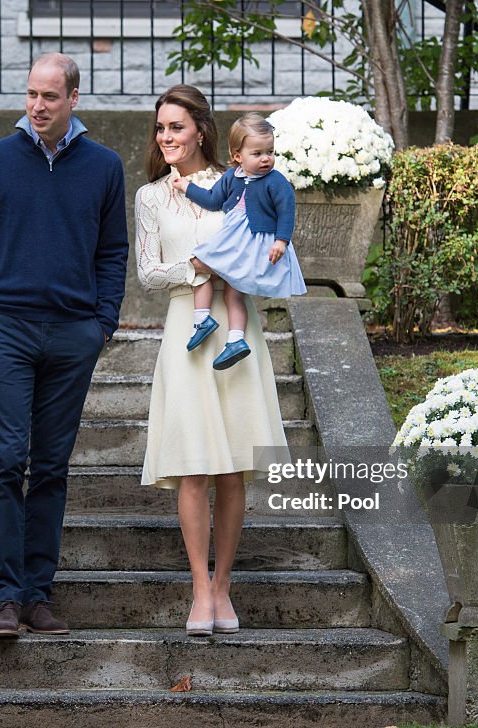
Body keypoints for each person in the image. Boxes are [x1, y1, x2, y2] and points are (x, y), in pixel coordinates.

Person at [0, 52, 129, 639]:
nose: (38, 106)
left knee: (49, 466)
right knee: (4, 461)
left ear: (74, 98)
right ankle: (3, 599)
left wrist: (103, 324)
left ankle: (38, 596)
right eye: (30, 95)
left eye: (49, 96)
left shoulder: (104, 166)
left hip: (73, 333)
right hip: (6, 329)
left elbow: (112, 251)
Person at [135, 85, 289, 636]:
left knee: (231, 467)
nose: (166, 138)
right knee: (192, 465)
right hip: (186, 327)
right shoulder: (151, 197)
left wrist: (238, 266)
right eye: (160, 129)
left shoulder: (240, 183)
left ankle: (224, 586)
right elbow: (148, 273)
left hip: (235, 325)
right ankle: (200, 588)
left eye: (175, 127)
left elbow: (269, 243)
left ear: (200, 129)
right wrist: (198, 268)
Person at [172, 113, 307, 370]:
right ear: (237, 156)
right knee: (230, 289)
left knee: (202, 265)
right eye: (257, 153)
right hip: (234, 241)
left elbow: (287, 210)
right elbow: (213, 199)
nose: (266, 158)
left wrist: (281, 241)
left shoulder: (275, 181)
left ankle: (207, 322)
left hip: (254, 243)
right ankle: (230, 337)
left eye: (270, 151)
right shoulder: (232, 177)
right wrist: (187, 187)